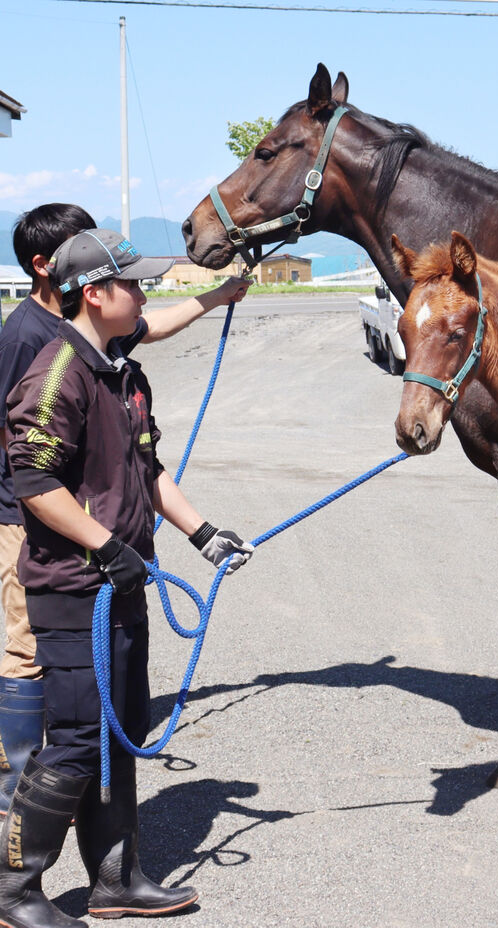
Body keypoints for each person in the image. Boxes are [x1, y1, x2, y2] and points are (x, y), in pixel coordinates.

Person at [0, 228, 255, 927]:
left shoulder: (123, 372)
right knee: (80, 739)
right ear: (95, 292)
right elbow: (32, 479)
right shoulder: (58, 373)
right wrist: (105, 544)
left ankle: (117, 881)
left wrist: (204, 534)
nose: (143, 296)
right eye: (133, 284)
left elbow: (148, 471)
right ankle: (14, 890)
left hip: (124, 585)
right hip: (73, 591)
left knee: (119, 731)